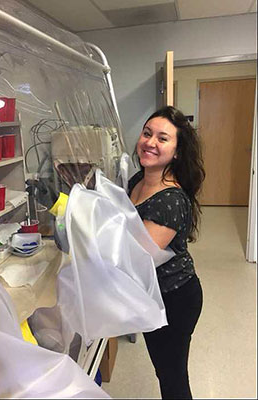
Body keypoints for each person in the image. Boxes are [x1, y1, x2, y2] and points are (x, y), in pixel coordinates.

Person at [128, 106, 205, 399]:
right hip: (150, 294)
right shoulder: (139, 179)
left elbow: (135, 256)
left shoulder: (169, 201)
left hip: (174, 297)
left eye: (162, 138)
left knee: (172, 378)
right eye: (147, 134)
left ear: (176, 152)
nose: (150, 142)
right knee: (164, 370)